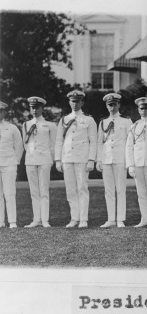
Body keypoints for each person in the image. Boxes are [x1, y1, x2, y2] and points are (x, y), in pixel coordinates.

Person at [54, 90, 97, 228]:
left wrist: (91, 160)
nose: (75, 103)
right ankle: (74, 218)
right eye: (72, 101)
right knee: (70, 189)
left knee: (82, 188)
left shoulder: (89, 120)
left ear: (82, 102)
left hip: (82, 158)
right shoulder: (64, 120)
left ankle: (83, 219)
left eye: (77, 101)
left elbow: (93, 141)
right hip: (67, 158)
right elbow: (59, 141)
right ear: (69, 102)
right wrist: (58, 160)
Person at [96, 93, 132, 228]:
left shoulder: (126, 121)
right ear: (106, 106)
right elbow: (100, 142)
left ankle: (120, 219)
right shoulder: (103, 122)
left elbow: (130, 142)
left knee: (121, 189)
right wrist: (98, 160)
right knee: (109, 190)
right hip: (106, 158)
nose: (112, 107)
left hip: (120, 158)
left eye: (114, 104)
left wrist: (129, 161)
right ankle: (111, 219)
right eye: (109, 105)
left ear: (119, 105)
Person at [22, 96, 57, 228]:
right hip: (30, 160)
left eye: (37, 107)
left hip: (44, 160)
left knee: (44, 191)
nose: (34, 110)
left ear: (42, 108)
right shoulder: (26, 125)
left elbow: (53, 145)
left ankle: (45, 220)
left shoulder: (50, 125)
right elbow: (25, 144)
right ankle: (36, 220)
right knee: (34, 191)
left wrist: (51, 159)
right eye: (32, 107)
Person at [126, 97, 147, 228]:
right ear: (138, 110)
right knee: (141, 193)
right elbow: (129, 147)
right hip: (137, 162)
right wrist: (130, 165)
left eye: (146, 108)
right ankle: (144, 219)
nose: (144, 110)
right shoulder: (134, 126)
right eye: (141, 108)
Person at [0, 101, 23, 228]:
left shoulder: (12, 128)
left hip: (9, 163)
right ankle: (0, 221)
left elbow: (19, 147)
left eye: (0, 111)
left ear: (4, 112)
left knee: (9, 192)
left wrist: (15, 162)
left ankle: (12, 221)